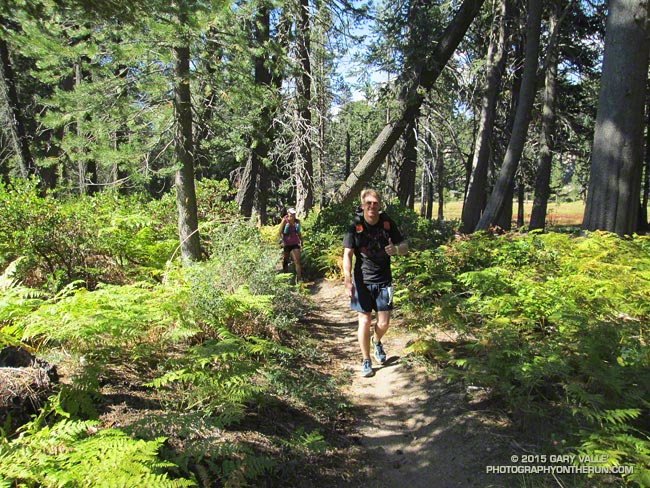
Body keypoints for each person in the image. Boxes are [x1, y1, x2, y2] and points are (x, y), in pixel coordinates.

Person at [342, 189, 408, 377]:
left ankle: (376, 341)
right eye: (368, 203)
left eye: (375, 203)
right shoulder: (354, 226)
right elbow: (346, 255)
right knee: (364, 320)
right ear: (362, 205)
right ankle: (366, 360)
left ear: (380, 206)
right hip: (362, 280)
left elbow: (404, 246)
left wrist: (396, 249)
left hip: (384, 280)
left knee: (384, 323)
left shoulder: (387, 224)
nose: (372, 206)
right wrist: (347, 281)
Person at [279, 207, 302, 282]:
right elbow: (279, 232)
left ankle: (299, 279)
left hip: (295, 242)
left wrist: (301, 241)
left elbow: (298, 233)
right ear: (288, 213)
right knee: (286, 260)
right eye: (291, 213)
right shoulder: (284, 221)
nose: (292, 215)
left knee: (297, 261)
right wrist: (281, 241)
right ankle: (286, 277)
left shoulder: (297, 222)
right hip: (286, 243)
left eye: (294, 213)